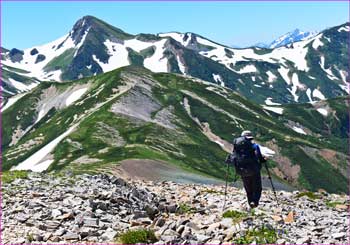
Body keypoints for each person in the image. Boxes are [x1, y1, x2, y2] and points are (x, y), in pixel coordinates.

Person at [231, 130, 266, 209]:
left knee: (248, 188)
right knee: (257, 188)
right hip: (254, 170)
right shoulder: (254, 146)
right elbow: (260, 158)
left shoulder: (237, 147)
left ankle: (250, 202)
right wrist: (263, 160)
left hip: (242, 170)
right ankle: (255, 202)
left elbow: (233, 157)